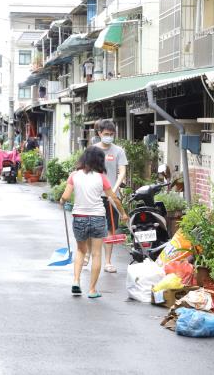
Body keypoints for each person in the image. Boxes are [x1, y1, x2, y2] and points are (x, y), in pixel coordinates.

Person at [60, 147, 128, 298]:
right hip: (97, 217)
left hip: (80, 217)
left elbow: (65, 196)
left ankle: (76, 281)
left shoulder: (74, 175)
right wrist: (123, 213)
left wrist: (62, 201)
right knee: (97, 254)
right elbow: (113, 198)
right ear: (99, 161)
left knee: (81, 251)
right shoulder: (101, 177)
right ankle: (92, 290)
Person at [86, 119, 128, 273]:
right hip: (94, 195)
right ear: (99, 134)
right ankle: (88, 255)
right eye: (106, 134)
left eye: (111, 134)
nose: (109, 137)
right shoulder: (92, 150)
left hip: (111, 196)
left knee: (110, 229)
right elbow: (86, 170)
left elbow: (122, 171)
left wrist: (113, 190)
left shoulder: (118, 151)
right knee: (92, 227)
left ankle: (108, 262)